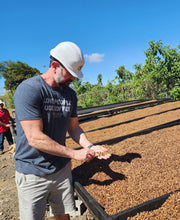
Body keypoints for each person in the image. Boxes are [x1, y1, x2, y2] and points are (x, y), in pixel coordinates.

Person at [14, 41, 111, 220]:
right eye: (70, 74)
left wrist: (90, 146)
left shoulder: (70, 94)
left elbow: (74, 127)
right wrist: (74, 154)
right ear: (54, 66)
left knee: (62, 216)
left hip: (61, 169)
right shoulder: (30, 90)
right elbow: (35, 138)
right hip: (32, 172)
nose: (73, 79)